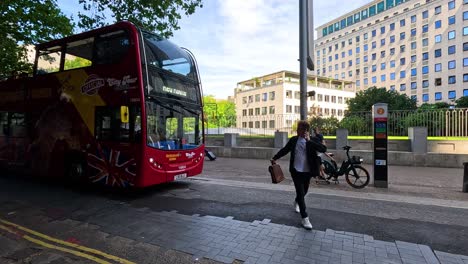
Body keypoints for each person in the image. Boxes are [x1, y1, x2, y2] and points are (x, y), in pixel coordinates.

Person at [271, 120, 326, 230]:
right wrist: (275, 157)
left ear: (305, 130)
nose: (297, 130)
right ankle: (305, 218)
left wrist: (309, 141)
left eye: (300, 129)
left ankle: (296, 201)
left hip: (307, 171)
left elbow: (323, 149)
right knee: (300, 193)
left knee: (304, 191)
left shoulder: (312, 140)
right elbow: (285, 150)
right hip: (295, 171)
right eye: (297, 128)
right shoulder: (294, 140)